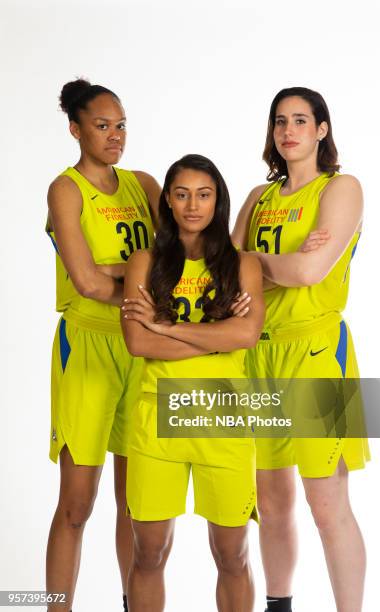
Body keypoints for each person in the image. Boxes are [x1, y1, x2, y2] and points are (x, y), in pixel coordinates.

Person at [232, 87, 370, 612]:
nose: (288, 130)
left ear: (321, 130)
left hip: (315, 352)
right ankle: (279, 605)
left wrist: (256, 259)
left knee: (327, 501)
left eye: (300, 120)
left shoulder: (341, 189)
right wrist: (272, 260)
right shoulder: (257, 198)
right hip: (259, 353)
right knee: (270, 500)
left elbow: (311, 271)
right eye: (279, 121)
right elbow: (226, 274)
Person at [120, 153, 265, 612]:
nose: (192, 205)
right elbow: (138, 344)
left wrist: (165, 326)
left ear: (218, 200)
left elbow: (245, 334)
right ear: (167, 199)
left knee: (232, 554)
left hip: (224, 420)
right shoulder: (144, 261)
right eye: (181, 194)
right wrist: (213, 339)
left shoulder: (243, 264)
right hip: (155, 419)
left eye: (203, 194)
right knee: (149, 553)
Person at [45, 78, 160, 612]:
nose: (115, 135)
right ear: (75, 129)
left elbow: (179, 260)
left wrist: (124, 275)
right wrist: (142, 276)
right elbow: (87, 283)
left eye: (121, 125)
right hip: (88, 349)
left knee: (135, 501)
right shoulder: (66, 190)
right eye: (101, 125)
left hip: (141, 344)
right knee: (77, 503)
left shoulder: (144, 184)